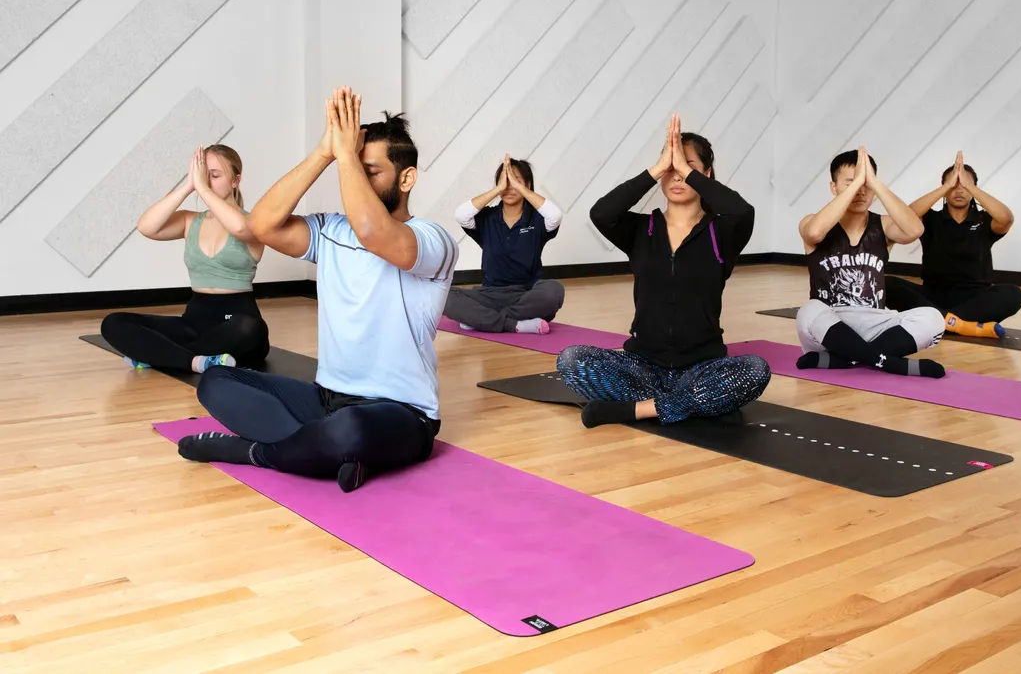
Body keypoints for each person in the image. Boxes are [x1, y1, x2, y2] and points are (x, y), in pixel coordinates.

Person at [175, 87, 459, 492]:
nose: (355, 176)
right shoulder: (330, 230)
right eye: (353, 167)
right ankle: (329, 455)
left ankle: (255, 452)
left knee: (350, 431)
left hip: (401, 412)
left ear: (407, 177)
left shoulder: (432, 239)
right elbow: (262, 225)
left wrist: (346, 156)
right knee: (216, 381)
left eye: (369, 170)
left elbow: (374, 232)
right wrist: (324, 153)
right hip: (325, 400)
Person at [556, 114, 771, 429]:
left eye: (688, 167)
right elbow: (601, 213)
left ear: (707, 175)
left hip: (702, 365)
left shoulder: (721, 232)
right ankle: (684, 403)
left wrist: (686, 170)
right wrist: (656, 169)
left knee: (755, 369)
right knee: (571, 359)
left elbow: (743, 211)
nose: (678, 176)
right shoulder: (643, 229)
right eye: (670, 169)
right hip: (642, 365)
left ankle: (634, 410)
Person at [100, 145, 270, 373]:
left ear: (235, 180)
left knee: (250, 328)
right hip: (194, 322)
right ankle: (195, 361)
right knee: (113, 322)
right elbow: (146, 227)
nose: (207, 181)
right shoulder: (190, 222)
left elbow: (239, 227)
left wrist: (203, 189)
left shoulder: (255, 222)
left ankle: (159, 355)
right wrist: (188, 187)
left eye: (215, 175)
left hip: (237, 322)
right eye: (203, 175)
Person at [795, 147, 946, 377]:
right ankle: (892, 364)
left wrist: (874, 183)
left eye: (866, 185)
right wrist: (858, 183)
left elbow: (915, 229)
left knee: (933, 319)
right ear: (833, 187)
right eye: (850, 183)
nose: (860, 192)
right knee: (809, 310)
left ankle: (847, 359)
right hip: (829, 324)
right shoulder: (812, 221)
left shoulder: (884, 227)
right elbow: (814, 233)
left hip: (876, 324)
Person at [885, 151, 1021, 338]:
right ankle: (962, 325)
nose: (959, 190)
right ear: (944, 189)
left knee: (1014, 294)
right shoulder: (931, 219)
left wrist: (970, 187)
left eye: (965, 186)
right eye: (953, 186)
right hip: (932, 295)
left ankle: (941, 321)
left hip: (975, 298)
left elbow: (1006, 219)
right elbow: (906, 216)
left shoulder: (984, 220)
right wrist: (947, 186)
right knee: (884, 282)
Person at [443, 155, 565, 334]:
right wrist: (498, 189)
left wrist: (520, 189)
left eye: (516, 181)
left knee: (554, 291)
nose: (510, 187)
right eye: (504, 182)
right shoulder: (487, 218)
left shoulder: (538, 219)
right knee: (443, 295)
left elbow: (555, 215)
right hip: (490, 294)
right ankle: (515, 325)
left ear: (527, 185)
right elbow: (461, 215)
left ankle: (483, 320)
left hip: (527, 294)